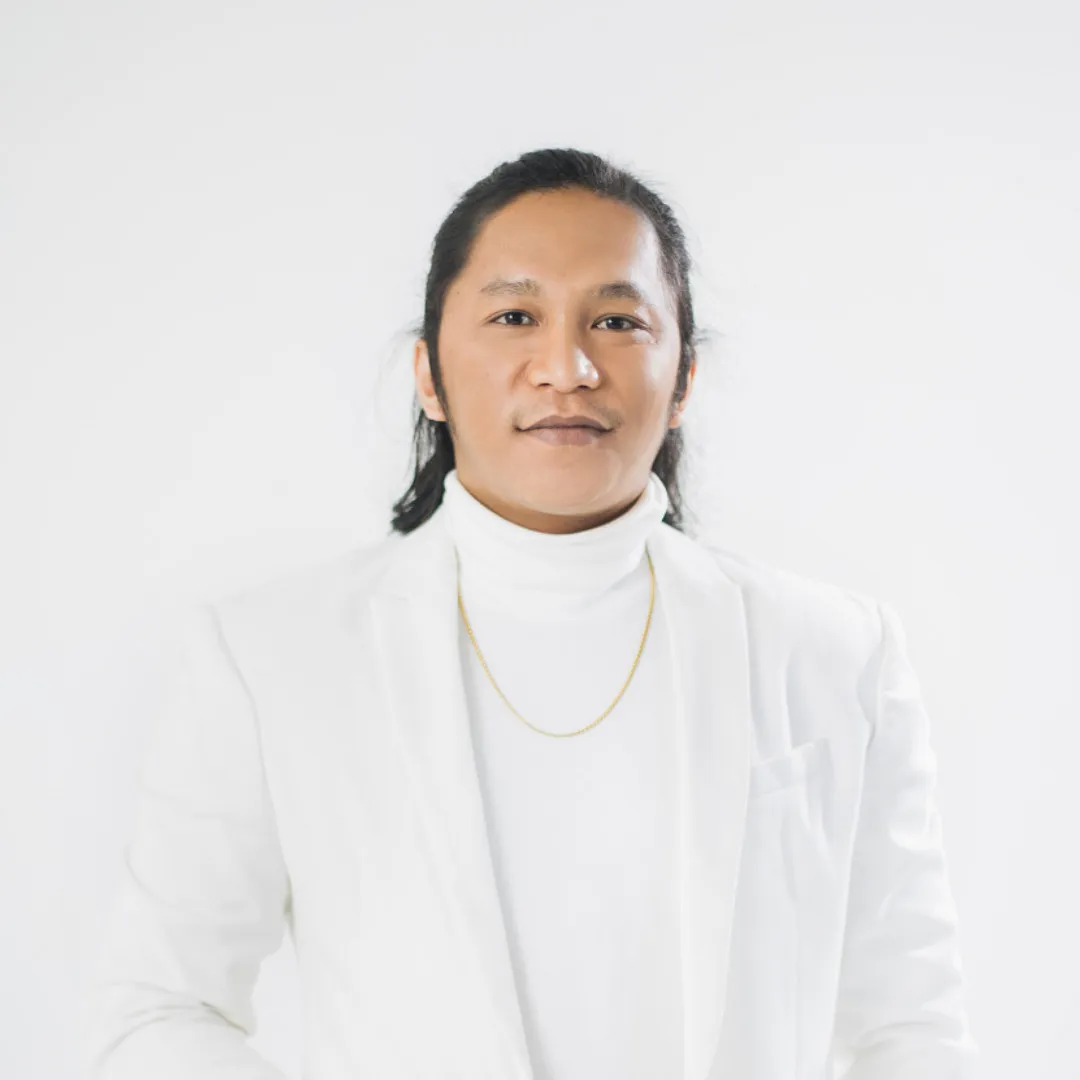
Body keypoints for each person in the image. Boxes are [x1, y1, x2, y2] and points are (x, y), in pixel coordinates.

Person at [81, 147, 979, 1079]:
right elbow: (157, 1011)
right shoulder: (269, 656)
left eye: (617, 321)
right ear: (429, 374)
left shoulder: (833, 652)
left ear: (683, 380)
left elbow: (911, 1031)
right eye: (515, 316)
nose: (567, 367)